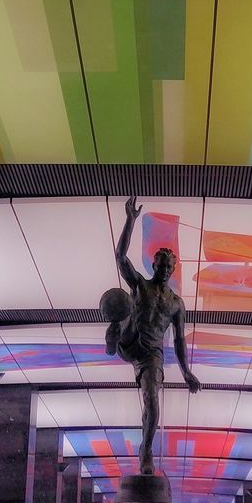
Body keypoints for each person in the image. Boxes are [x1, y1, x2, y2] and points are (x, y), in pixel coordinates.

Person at [107, 195, 200, 476]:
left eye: (167, 267)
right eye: (158, 266)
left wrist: (186, 373)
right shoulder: (141, 285)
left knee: (152, 401)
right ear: (153, 266)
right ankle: (113, 335)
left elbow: (180, 341)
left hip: (151, 356)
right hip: (130, 340)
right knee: (124, 303)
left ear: (173, 269)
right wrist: (130, 221)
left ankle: (145, 451)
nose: (162, 270)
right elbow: (121, 258)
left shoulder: (176, 304)